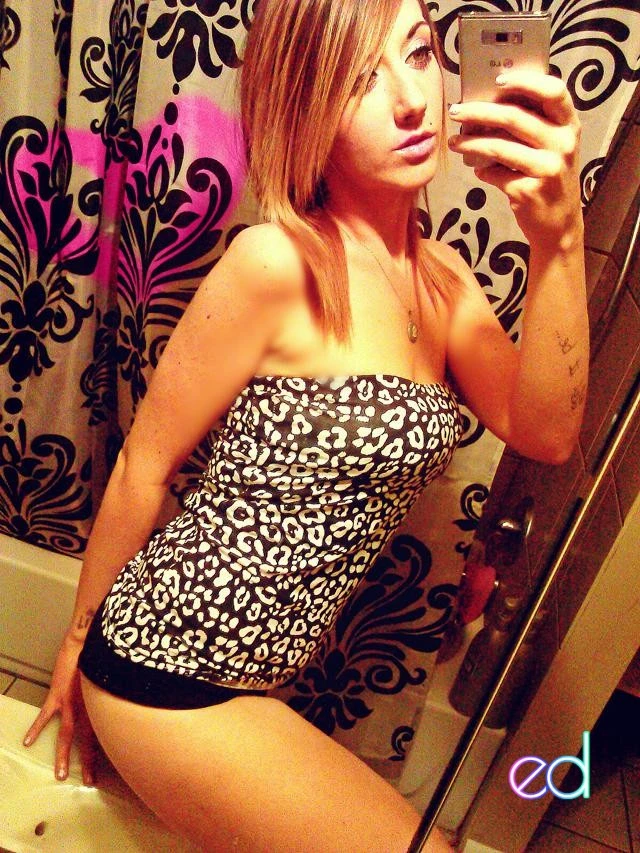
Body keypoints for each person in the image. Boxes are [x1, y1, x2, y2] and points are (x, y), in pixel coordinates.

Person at [23, 0, 587, 850]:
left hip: (256, 679)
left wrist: (560, 240)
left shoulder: (444, 280)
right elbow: (145, 462)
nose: (412, 100)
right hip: (161, 661)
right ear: (307, 108)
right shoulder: (276, 261)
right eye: (360, 79)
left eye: (419, 54)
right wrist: (74, 643)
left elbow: (545, 431)